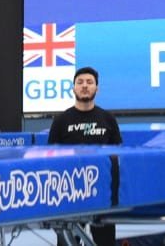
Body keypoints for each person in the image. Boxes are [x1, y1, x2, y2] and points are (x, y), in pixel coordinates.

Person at [47, 67, 123, 246]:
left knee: (105, 242)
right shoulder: (60, 121)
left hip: (103, 193)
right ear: (73, 88)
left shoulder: (108, 119)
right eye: (80, 82)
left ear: (97, 88)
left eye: (89, 82)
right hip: (69, 193)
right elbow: (50, 156)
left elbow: (119, 155)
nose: (84, 86)